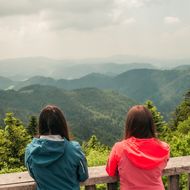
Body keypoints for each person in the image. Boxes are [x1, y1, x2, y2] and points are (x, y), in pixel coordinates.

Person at [25, 105, 88, 190]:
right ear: (62, 125)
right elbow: (83, 176)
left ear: (41, 125)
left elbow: (33, 175)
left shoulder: (30, 151)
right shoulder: (74, 149)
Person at [106, 105, 170, 190]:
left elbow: (110, 171)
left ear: (129, 125)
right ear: (150, 125)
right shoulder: (164, 148)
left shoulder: (119, 148)